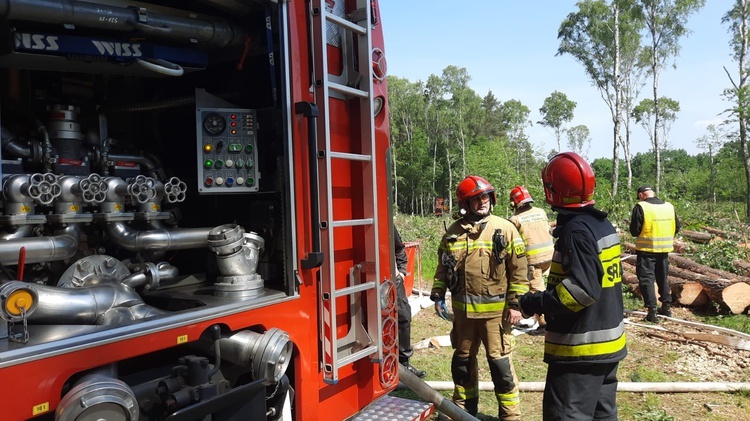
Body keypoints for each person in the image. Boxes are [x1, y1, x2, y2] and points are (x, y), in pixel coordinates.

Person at [519, 152, 627, 420]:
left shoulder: (576, 231)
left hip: (580, 351)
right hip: (607, 348)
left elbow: (582, 291)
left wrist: (535, 302)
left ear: (553, 189)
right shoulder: (602, 224)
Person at [431, 175, 529, 420]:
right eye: (476, 198)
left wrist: (515, 304)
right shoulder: (453, 233)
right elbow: (443, 267)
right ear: (465, 203)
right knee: (463, 364)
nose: (482, 202)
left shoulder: (505, 228)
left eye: (485, 196)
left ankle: (510, 415)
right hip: (464, 316)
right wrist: (438, 293)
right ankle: (463, 410)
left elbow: (519, 270)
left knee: (500, 367)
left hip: (496, 316)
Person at [629, 185, 681, 323]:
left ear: (641, 195)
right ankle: (666, 307)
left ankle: (652, 312)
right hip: (664, 250)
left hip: (647, 250)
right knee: (662, 278)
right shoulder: (669, 206)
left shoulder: (641, 207)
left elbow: (634, 230)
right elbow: (677, 227)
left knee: (646, 280)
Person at [508, 185, 554, 330]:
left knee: (536, 290)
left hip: (534, 260)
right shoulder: (541, 212)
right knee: (548, 287)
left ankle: (544, 324)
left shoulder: (515, 219)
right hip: (550, 255)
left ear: (513, 203)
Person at [394, 226, 426, 378]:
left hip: (391, 280)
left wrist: (400, 272)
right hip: (364, 280)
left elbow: (399, 248)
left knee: (403, 317)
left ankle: (404, 364)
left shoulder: (385, 225)